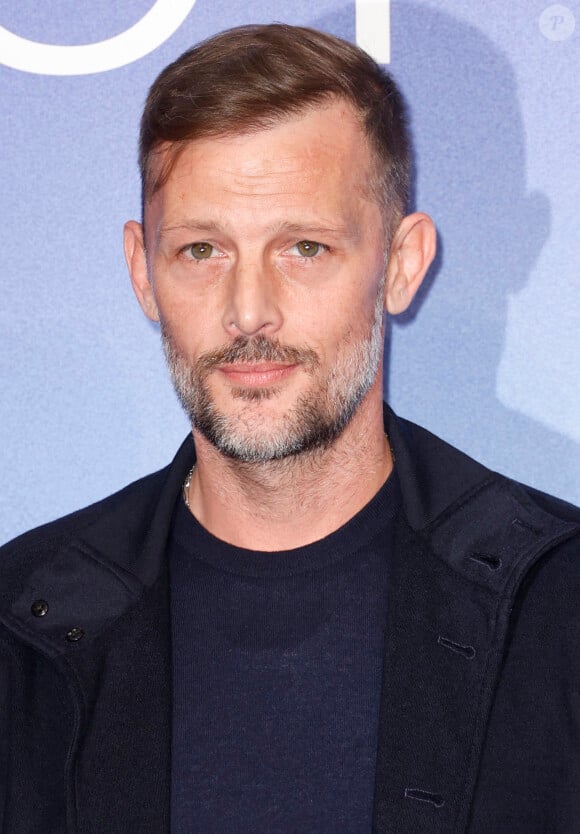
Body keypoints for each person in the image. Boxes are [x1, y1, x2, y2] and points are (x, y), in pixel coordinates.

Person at [0, 23, 578, 834]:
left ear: (401, 264)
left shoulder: (558, 607)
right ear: (143, 272)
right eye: (202, 250)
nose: (248, 312)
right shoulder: (17, 627)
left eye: (304, 247)